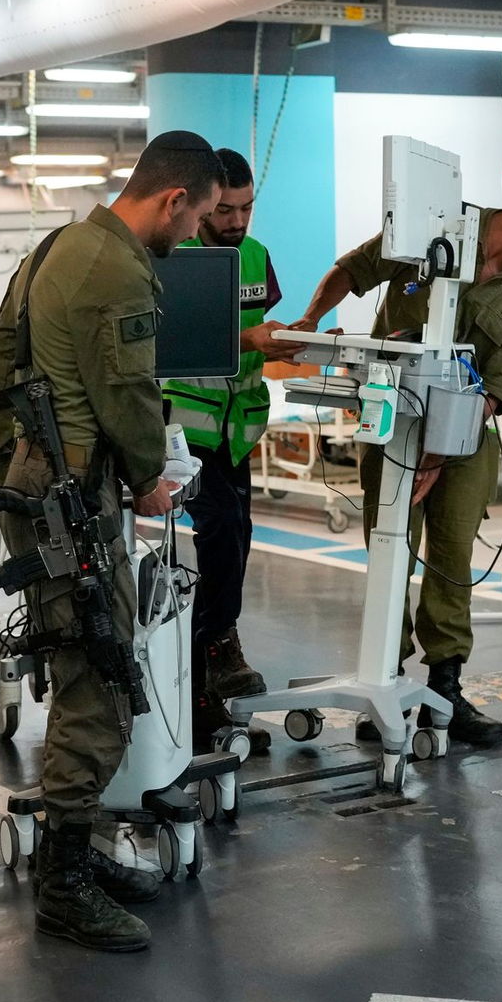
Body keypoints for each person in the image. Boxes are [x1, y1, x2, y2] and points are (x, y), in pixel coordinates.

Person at [0, 131, 225, 952]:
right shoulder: (116, 266)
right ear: (171, 198)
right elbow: (128, 395)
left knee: (84, 663)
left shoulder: (59, 246)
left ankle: (73, 851)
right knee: (102, 681)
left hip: (43, 488)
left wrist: (24, 459)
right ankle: (66, 881)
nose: (193, 236)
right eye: (199, 217)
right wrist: (148, 475)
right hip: (72, 505)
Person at [292, 175, 502, 746]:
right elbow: (353, 271)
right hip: (393, 426)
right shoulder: (431, 228)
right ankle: (383, 683)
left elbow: (493, 390)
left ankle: (445, 690)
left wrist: (436, 451)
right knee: (389, 548)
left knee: (452, 556)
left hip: (461, 441)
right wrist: (310, 320)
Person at [161, 148, 305, 751]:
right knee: (219, 530)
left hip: (238, 430)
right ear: (205, 202)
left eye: (248, 208)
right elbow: (171, 340)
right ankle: (200, 678)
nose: (240, 220)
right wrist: (246, 337)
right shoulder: (173, 257)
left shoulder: (256, 258)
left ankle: (220, 644)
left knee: (238, 536)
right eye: (228, 209)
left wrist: (296, 344)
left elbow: (259, 342)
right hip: (189, 430)